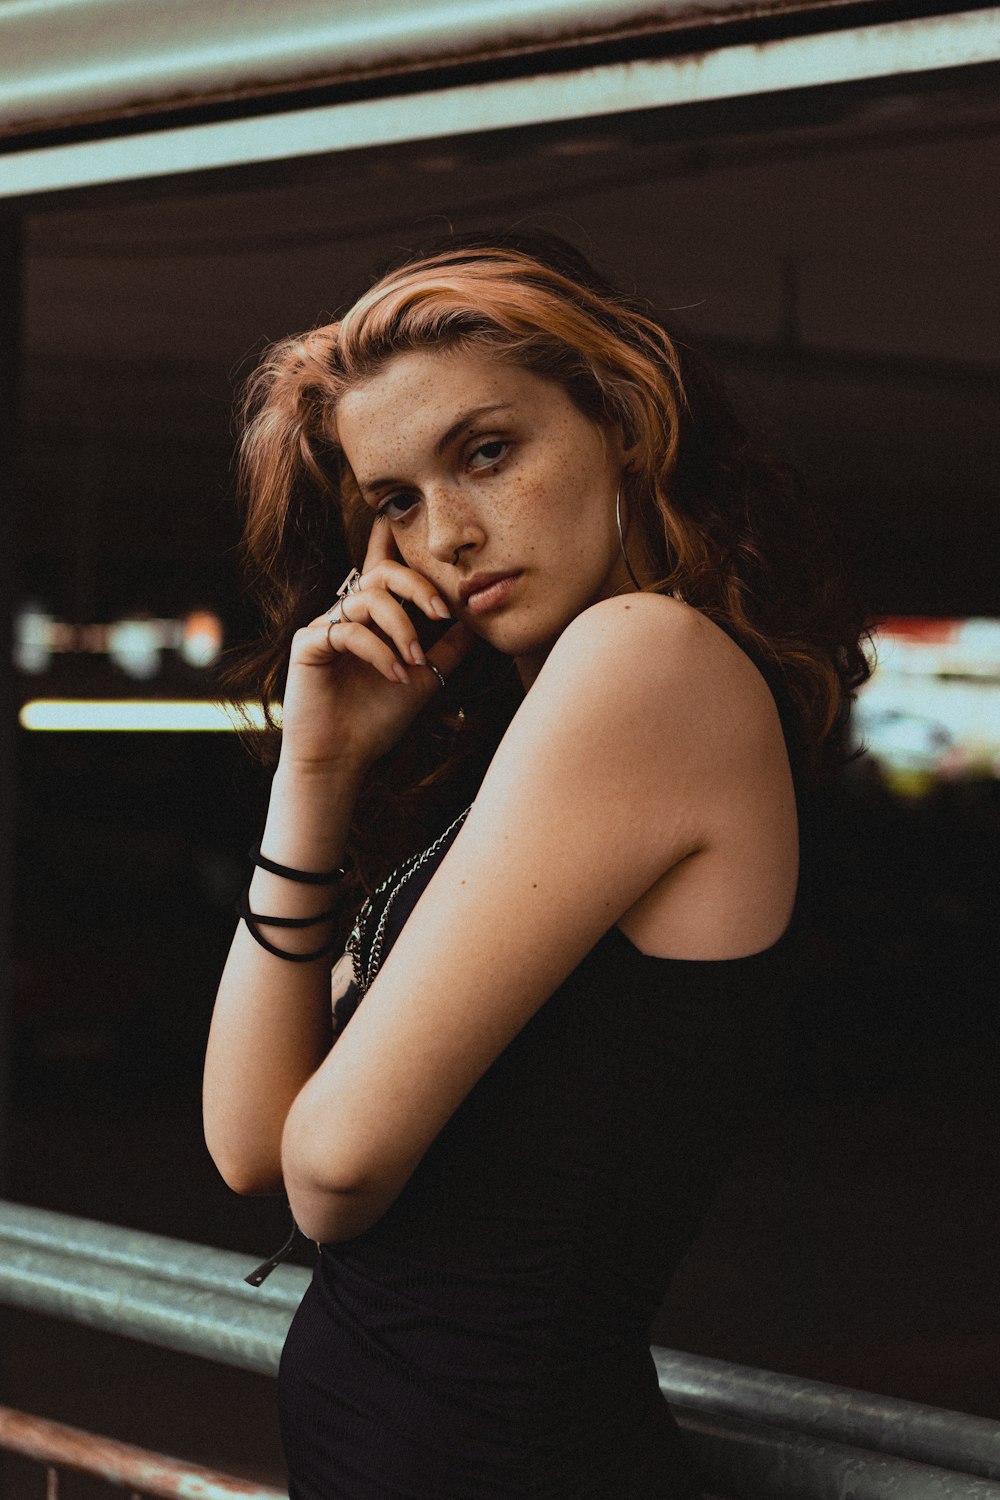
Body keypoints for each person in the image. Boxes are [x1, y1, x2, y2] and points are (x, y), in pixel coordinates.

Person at [203, 232, 869, 1499]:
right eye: (395, 499)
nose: (445, 535)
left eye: (487, 453)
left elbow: (329, 1172)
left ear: (620, 422)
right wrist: (317, 777)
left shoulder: (646, 657)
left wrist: (327, 1116)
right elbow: (248, 1141)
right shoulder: (525, 741)